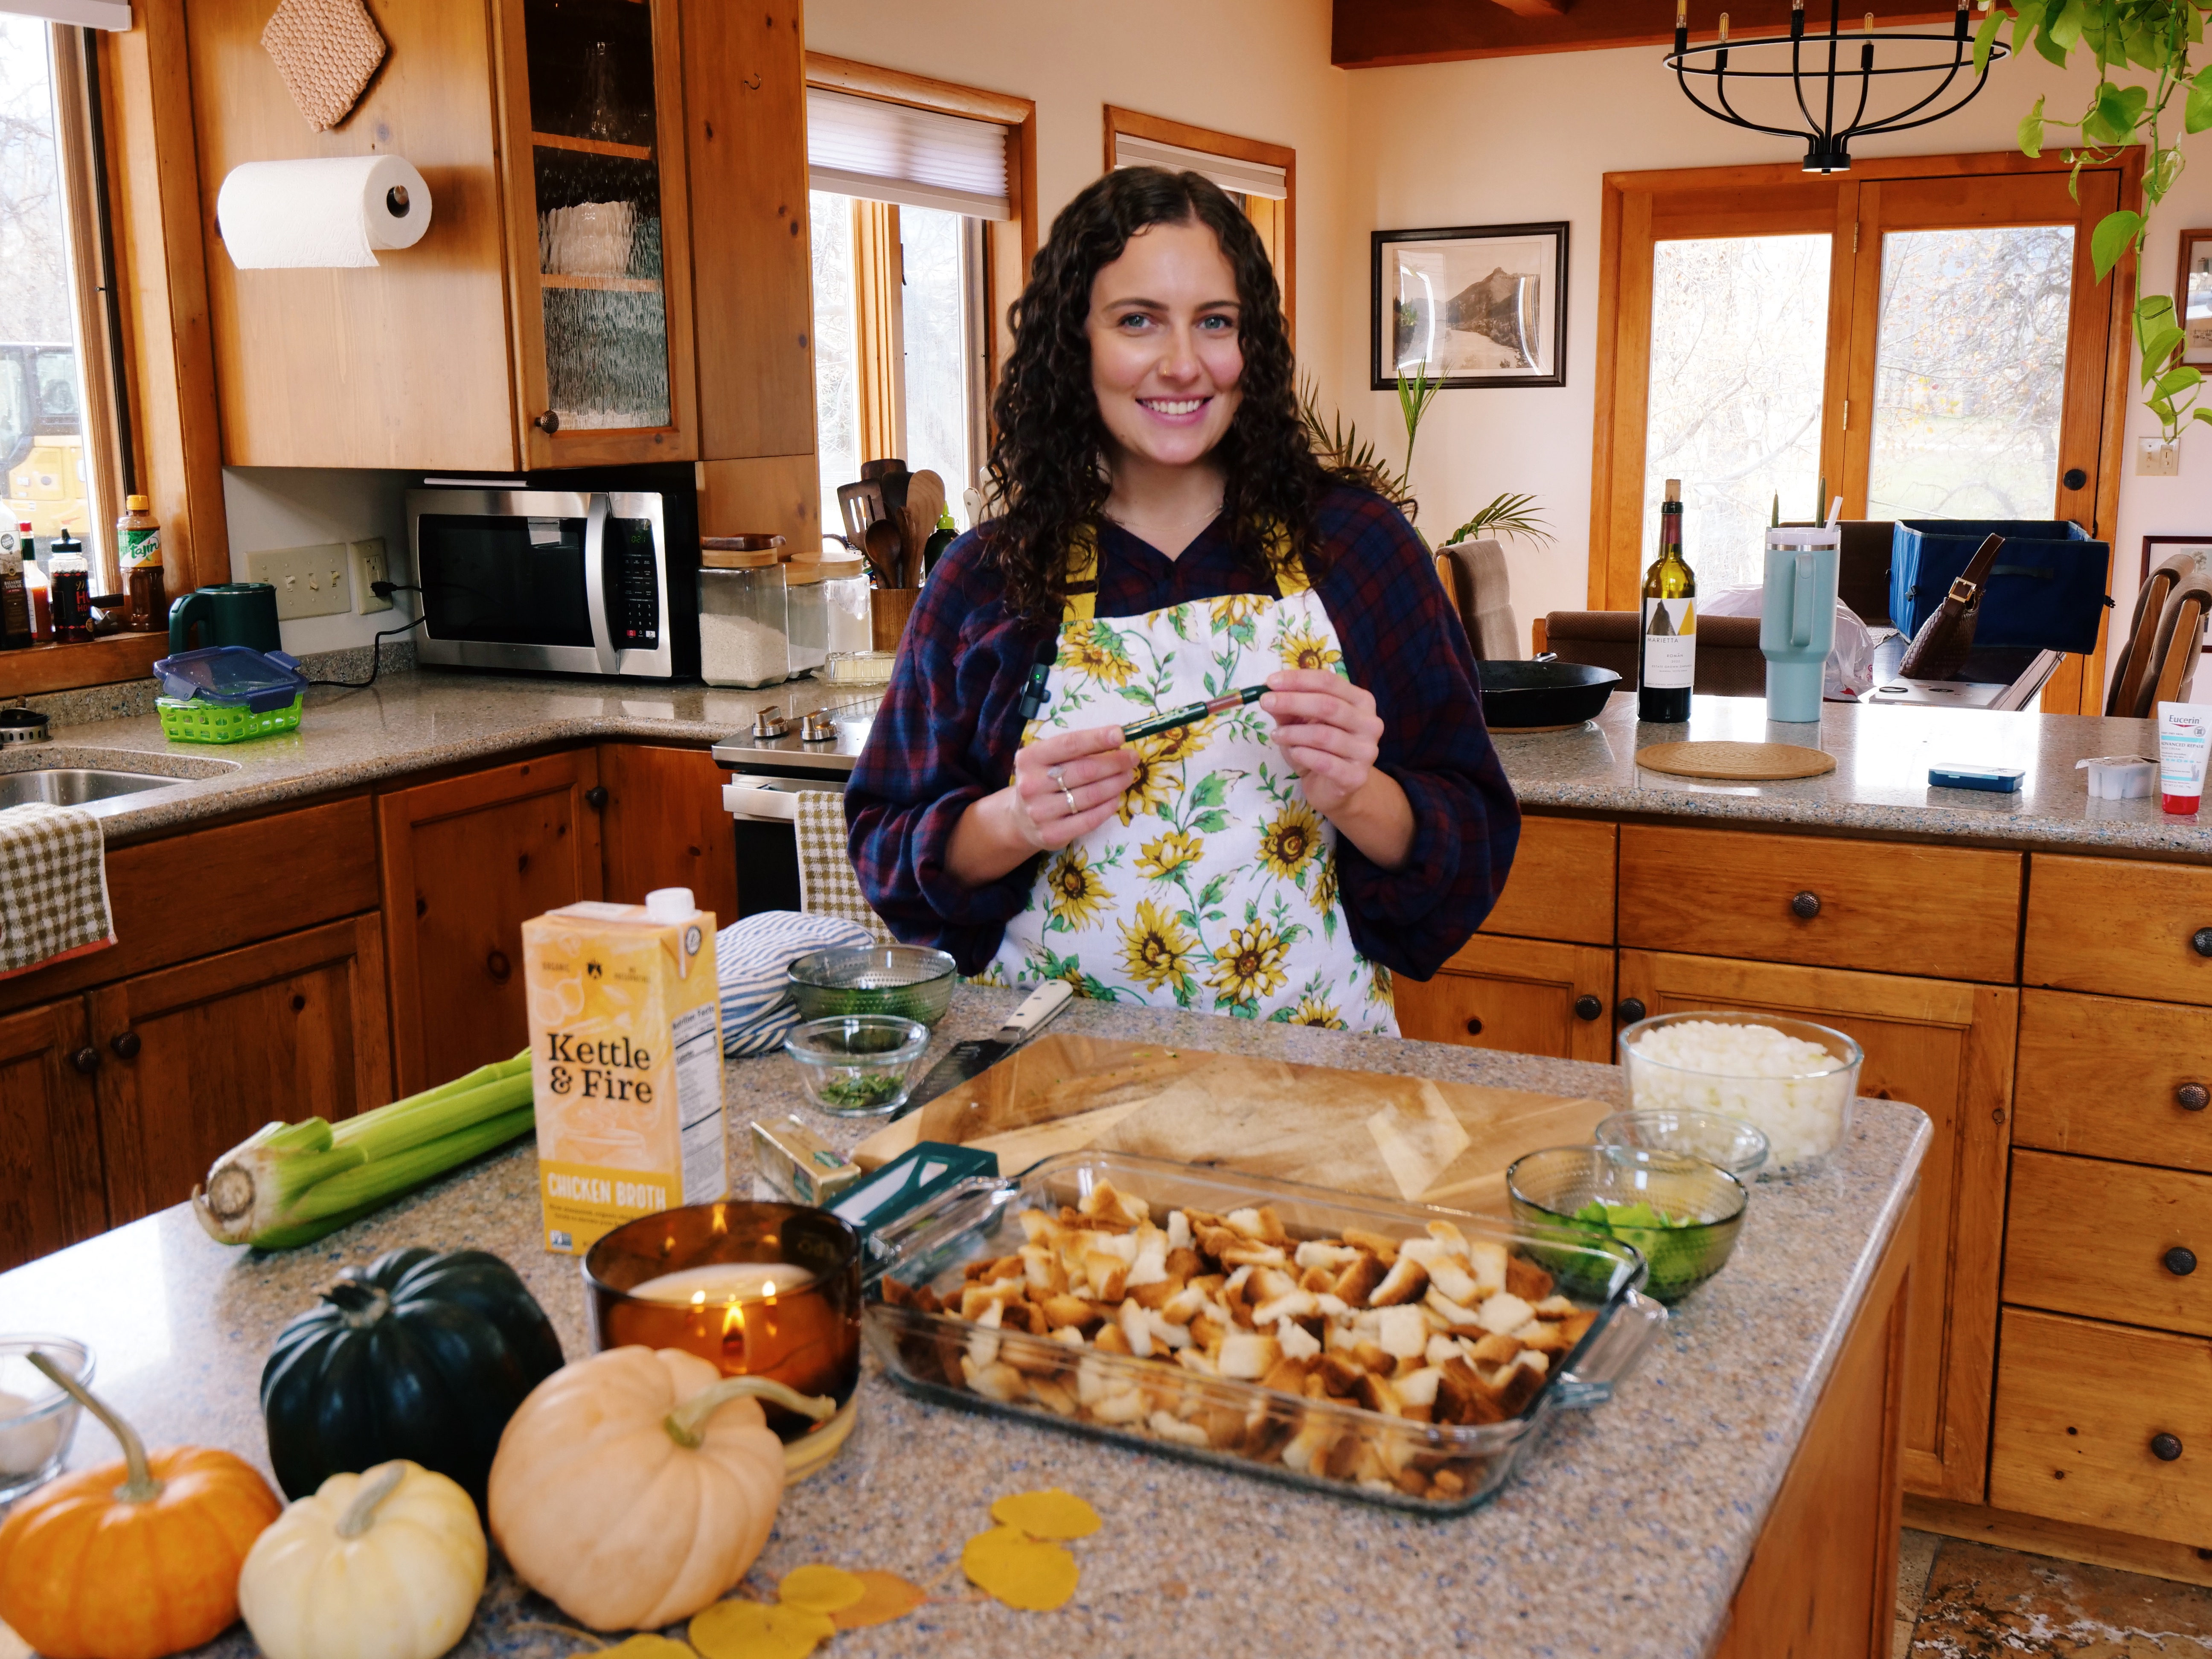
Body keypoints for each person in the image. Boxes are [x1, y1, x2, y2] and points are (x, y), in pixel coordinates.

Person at [845, 166, 1518, 1032]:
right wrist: (1013, 818)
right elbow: (886, 848)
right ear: (1074, 342)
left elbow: (1474, 840)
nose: (1182, 364)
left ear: (1253, 346)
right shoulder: (986, 578)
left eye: (1215, 322)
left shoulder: (1358, 550)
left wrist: (1359, 794)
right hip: (1059, 1098)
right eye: (1137, 321)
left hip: (1317, 1095)